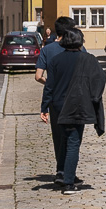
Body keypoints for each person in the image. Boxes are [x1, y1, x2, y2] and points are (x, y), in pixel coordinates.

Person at [40, 28, 106, 194]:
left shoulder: (55, 60)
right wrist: (94, 99)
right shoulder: (88, 59)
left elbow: (49, 86)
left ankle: (62, 173)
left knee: (64, 140)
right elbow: (100, 79)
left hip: (58, 106)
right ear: (80, 42)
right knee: (73, 142)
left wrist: (44, 107)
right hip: (77, 106)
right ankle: (68, 182)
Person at [35, 16, 76, 184]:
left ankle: (60, 170)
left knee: (58, 135)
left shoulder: (47, 50)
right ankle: (68, 171)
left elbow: (38, 76)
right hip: (74, 98)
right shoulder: (78, 48)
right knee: (73, 135)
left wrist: (52, 82)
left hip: (55, 99)